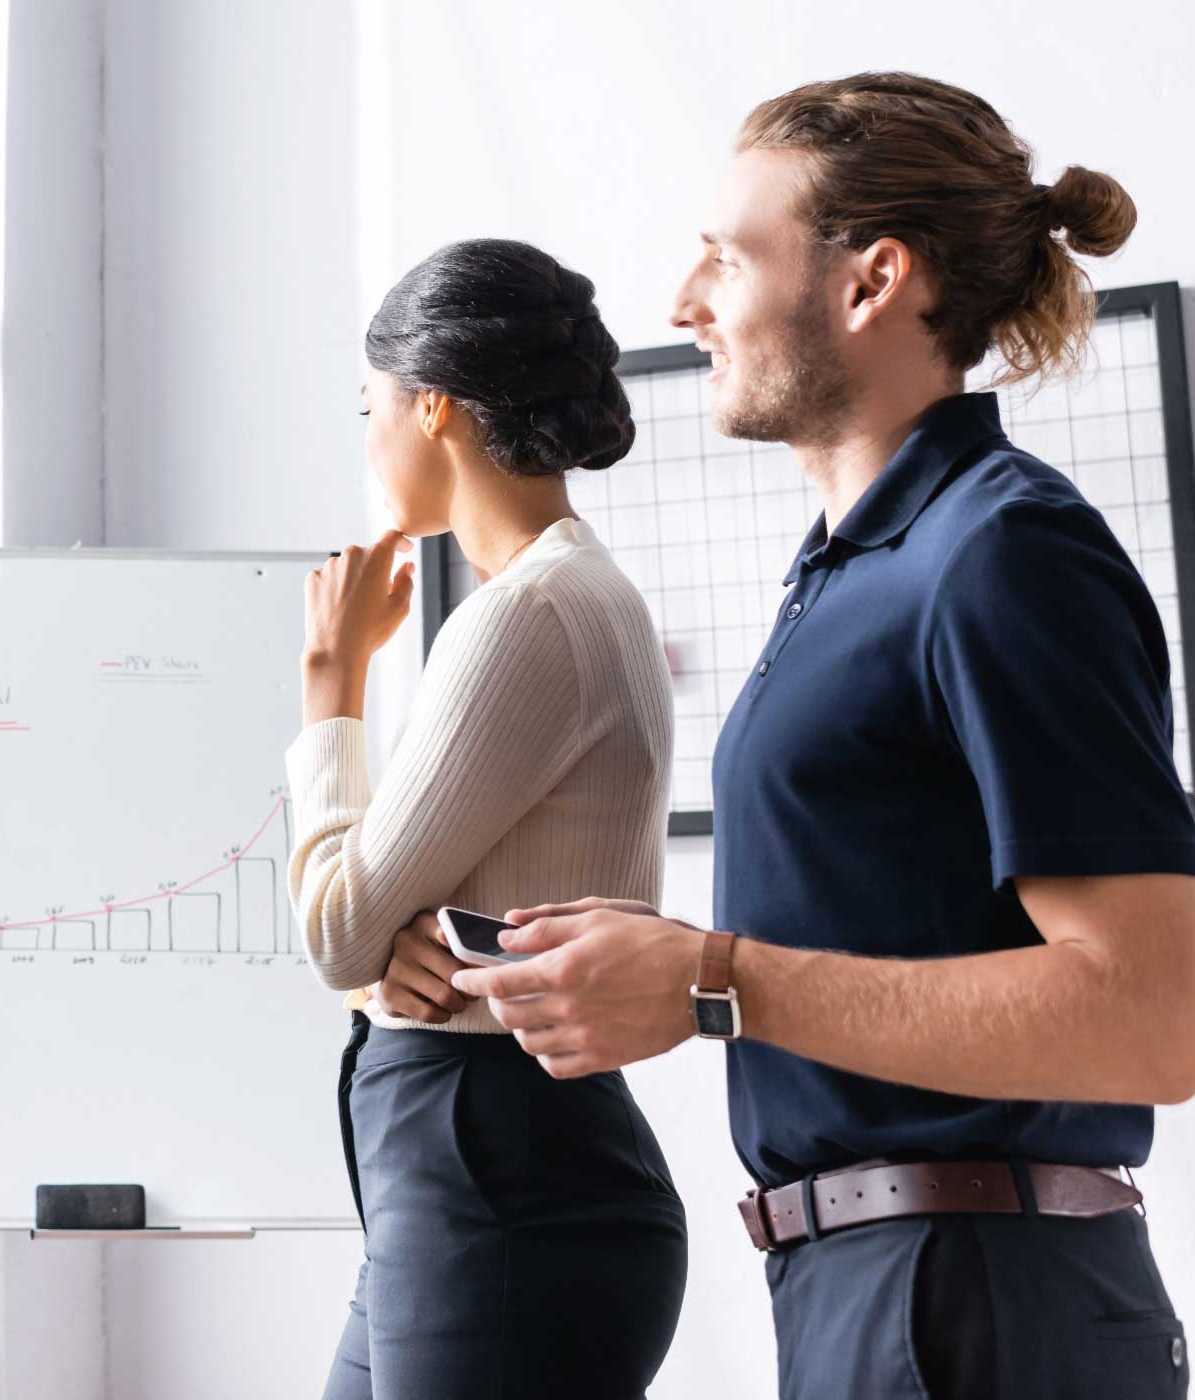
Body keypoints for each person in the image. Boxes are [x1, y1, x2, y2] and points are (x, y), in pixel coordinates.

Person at [447, 73, 1195, 1400]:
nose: (684, 304)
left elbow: (1156, 1013)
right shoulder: (852, 571)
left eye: (728, 259)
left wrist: (714, 981)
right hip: (877, 1287)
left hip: (973, 1302)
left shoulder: (1003, 552)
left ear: (872, 281)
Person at [286, 239, 687, 1399]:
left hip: (498, 1177)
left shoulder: (531, 614)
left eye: (372, 406)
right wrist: (383, 954)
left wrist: (330, 681)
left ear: (435, 407)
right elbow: (381, 941)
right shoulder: (561, 596)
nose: (367, 439)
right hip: (471, 1169)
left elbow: (340, 928)